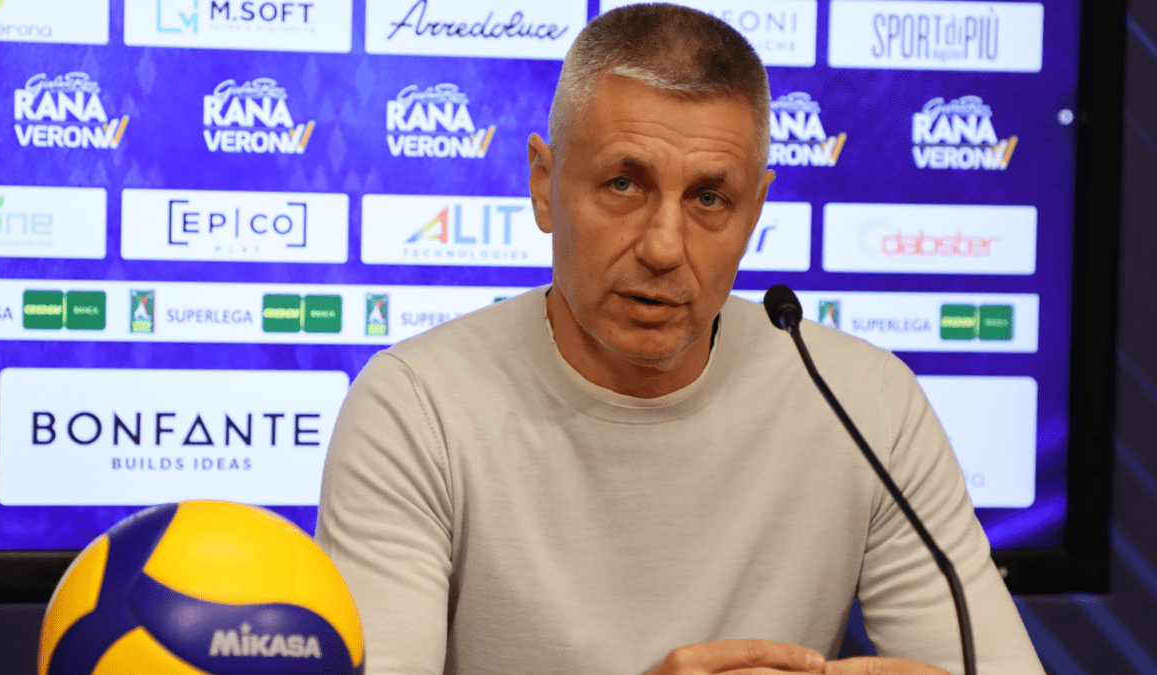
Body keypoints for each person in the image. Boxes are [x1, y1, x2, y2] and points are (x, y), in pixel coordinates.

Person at [316, 4, 1045, 674]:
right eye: (624, 184)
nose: (664, 247)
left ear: (754, 211)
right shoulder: (416, 406)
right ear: (544, 183)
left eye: (709, 198)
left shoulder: (866, 404)